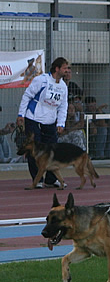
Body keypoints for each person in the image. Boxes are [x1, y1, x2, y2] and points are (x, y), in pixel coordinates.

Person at [17, 56, 69, 188]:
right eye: (64, 68)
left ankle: (51, 179)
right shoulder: (41, 80)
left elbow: (63, 106)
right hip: (34, 118)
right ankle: (37, 179)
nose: (67, 70)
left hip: (50, 121)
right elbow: (27, 96)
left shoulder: (63, 86)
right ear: (57, 69)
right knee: (34, 150)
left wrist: (60, 123)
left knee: (52, 151)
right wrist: (21, 114)